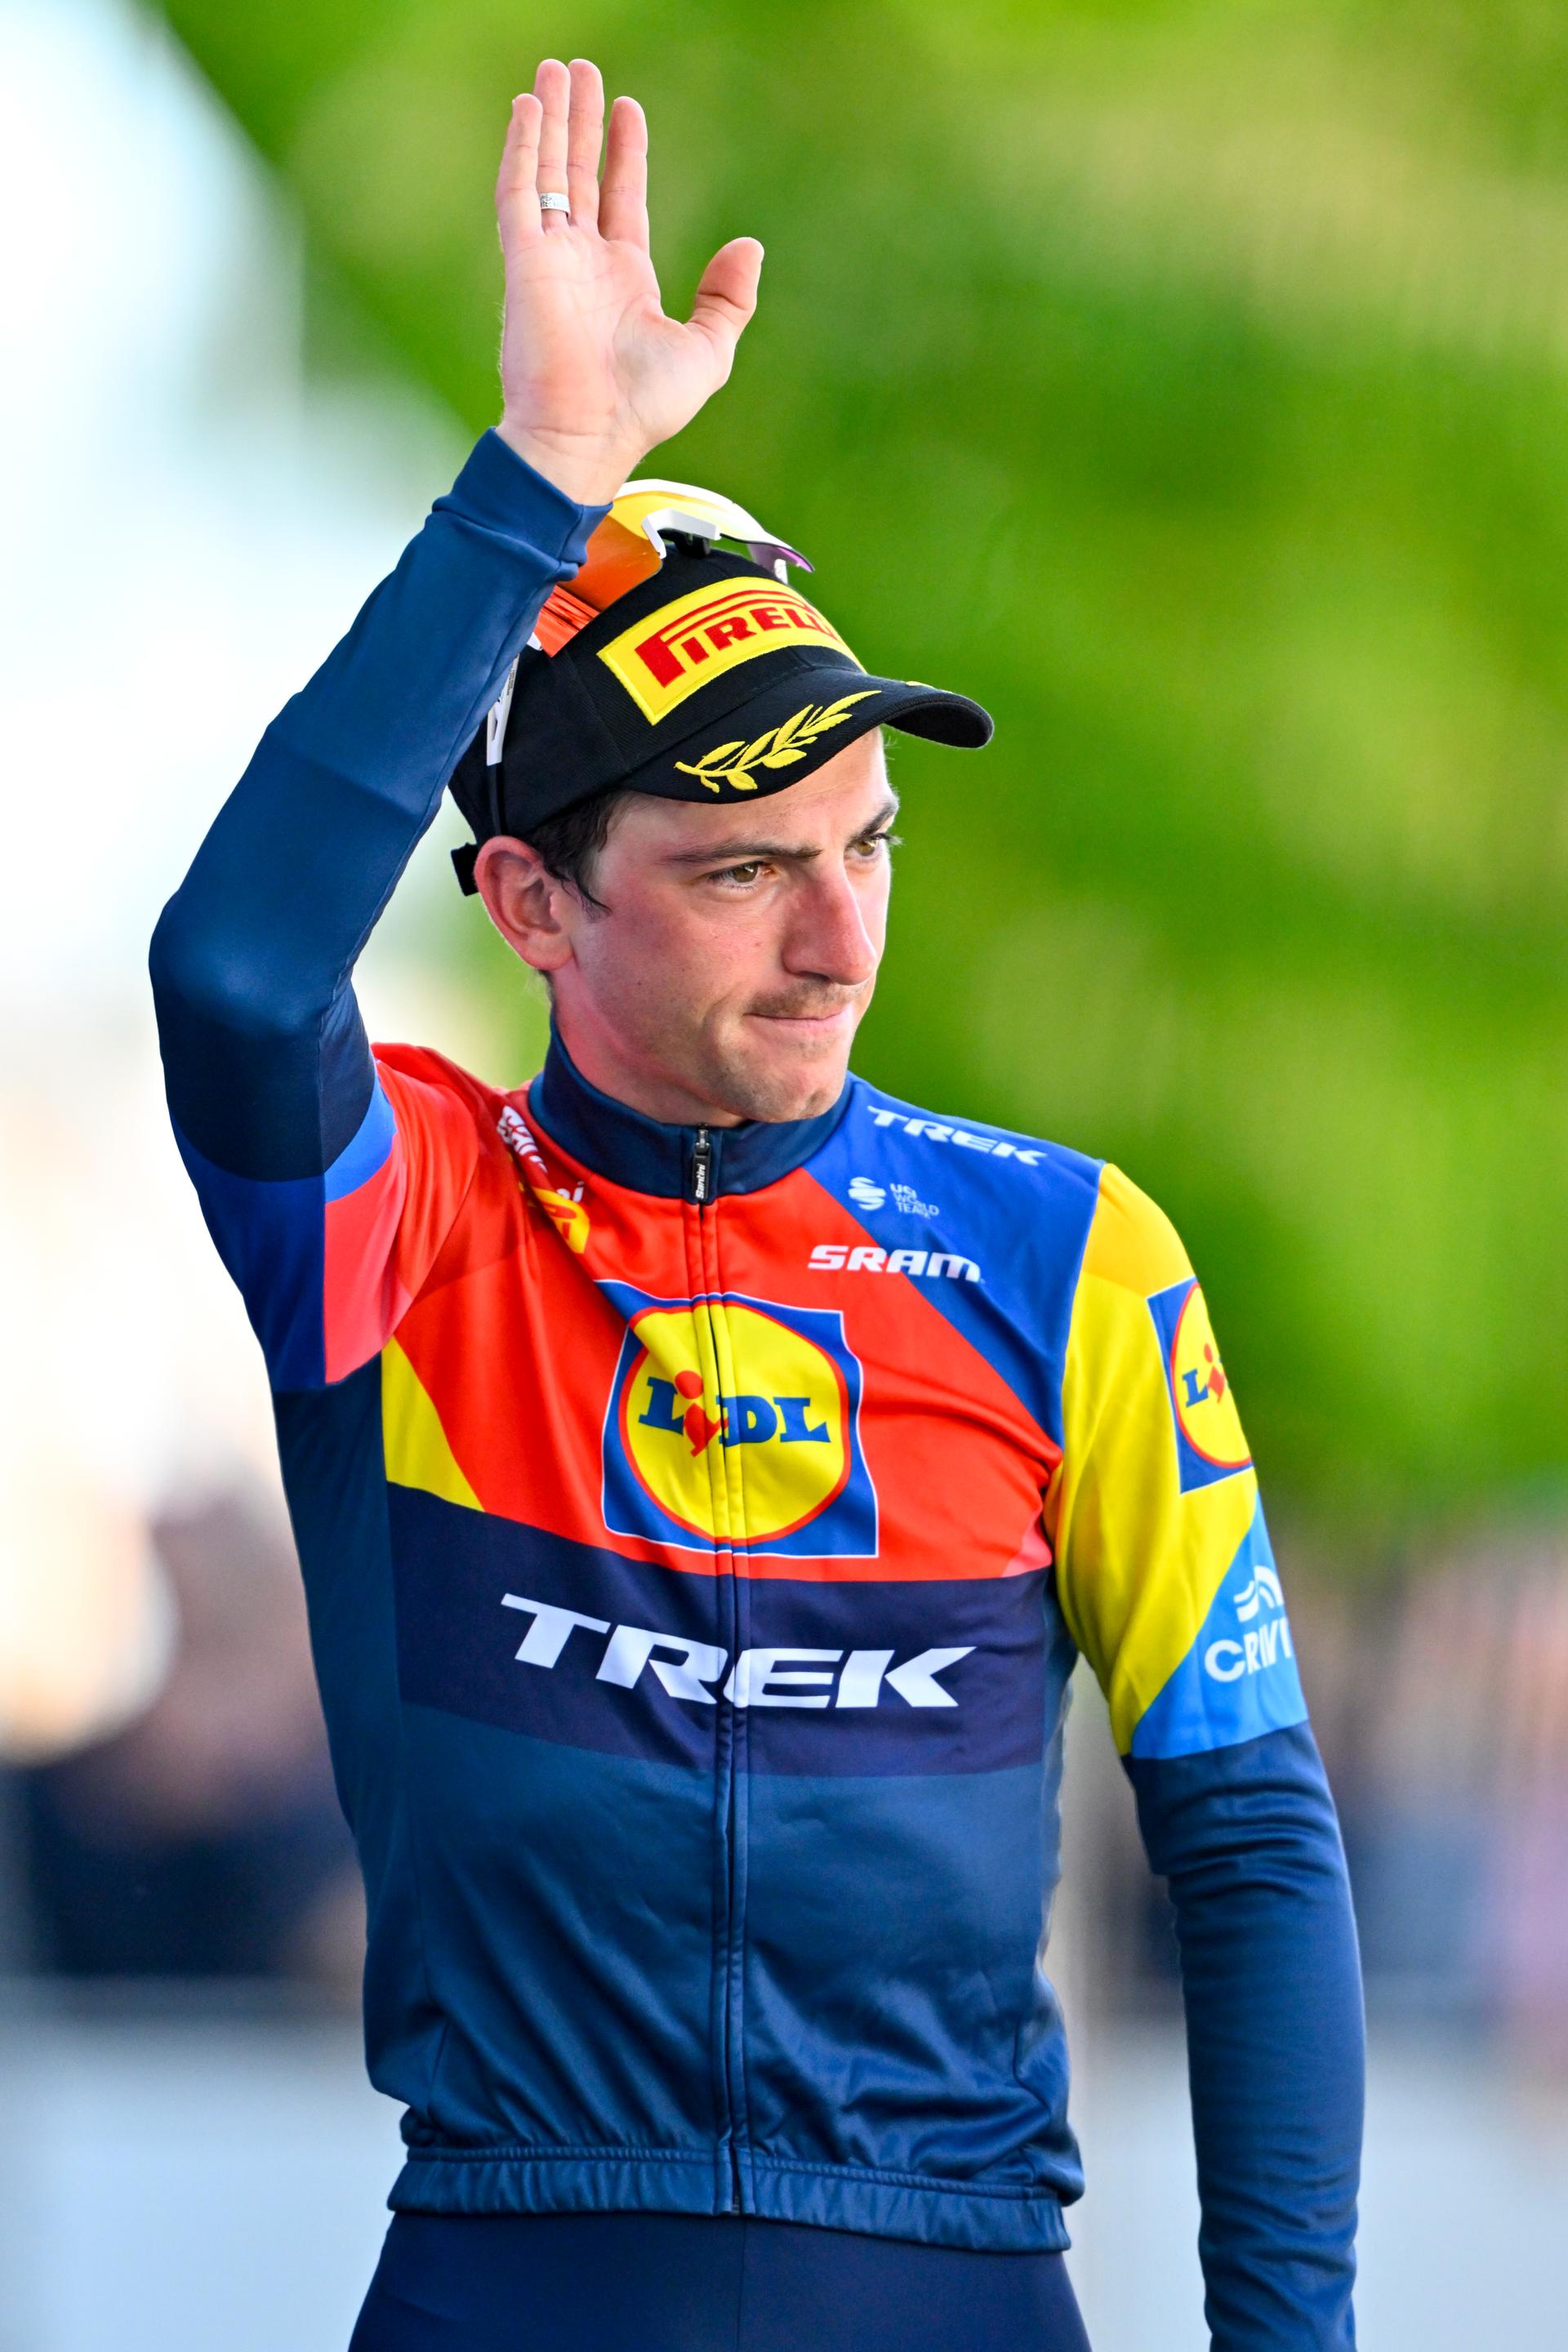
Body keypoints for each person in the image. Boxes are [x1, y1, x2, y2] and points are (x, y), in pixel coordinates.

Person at [149, 55, 1363, 2352]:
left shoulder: (1066, 1256)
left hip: (962, 2282)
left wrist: (1290, 2338)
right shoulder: (412, 1221)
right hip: (518, 2265)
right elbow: (230, 965)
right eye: (738, 873)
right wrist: (537, 484)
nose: (839, 939)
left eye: (866, 850)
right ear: (527, 901)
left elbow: (1255, 1843)